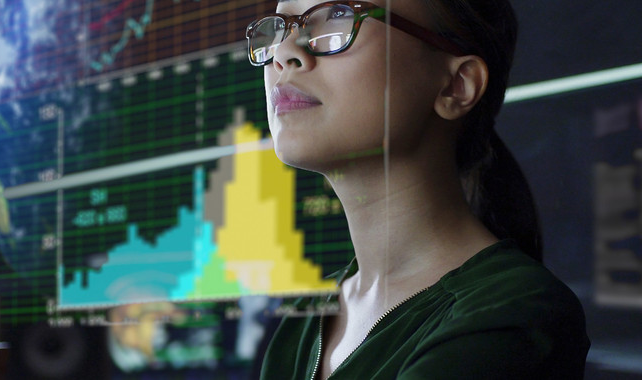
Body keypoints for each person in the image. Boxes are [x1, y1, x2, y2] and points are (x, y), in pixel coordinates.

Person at [246, 0, 590, 378]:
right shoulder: (304, 319)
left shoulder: (513, 314)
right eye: (279, 28)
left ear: (456, 86)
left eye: (336, 19)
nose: (283, 53)